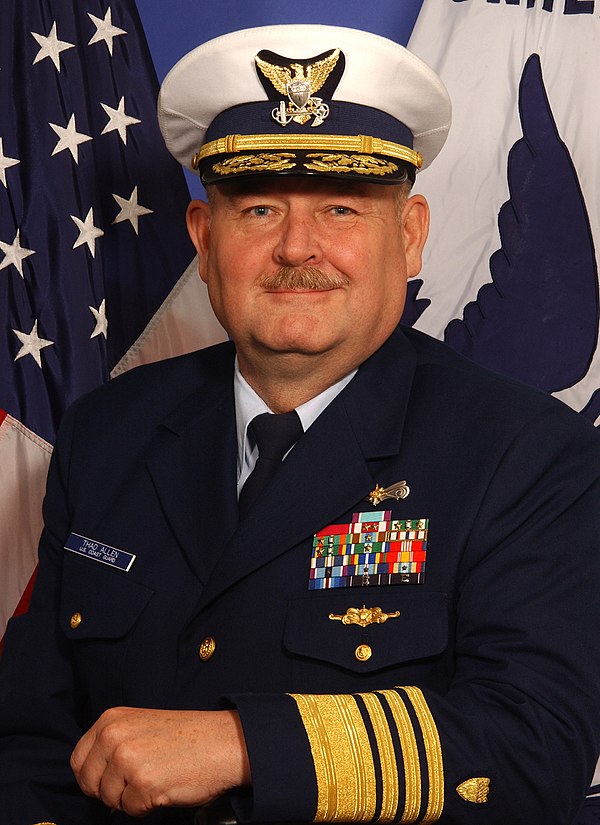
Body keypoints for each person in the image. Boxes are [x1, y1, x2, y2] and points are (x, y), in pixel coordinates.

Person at [1, 23, 599, 825]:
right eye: (257, 210)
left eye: (343, 208)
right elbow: (28, 742)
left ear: (412, 235)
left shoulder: (530, 457)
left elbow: (535, 751)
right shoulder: (105, 433)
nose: (297, 248)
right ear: (205, 242)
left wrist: (242, 745)